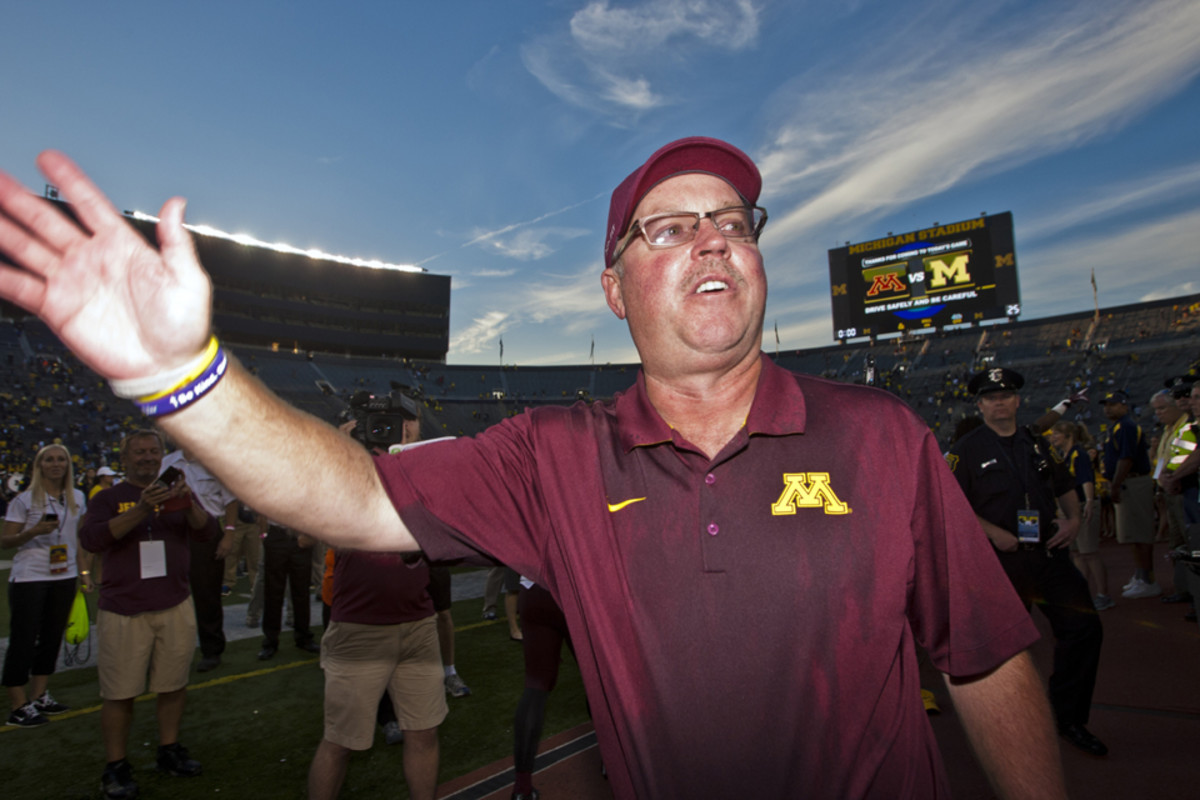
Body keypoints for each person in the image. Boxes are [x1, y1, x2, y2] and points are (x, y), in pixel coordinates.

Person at [0, 140, 1068, 799]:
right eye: (670, 227)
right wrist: (180, 374)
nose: (710, 239)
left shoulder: (882, 434)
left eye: (732, 222)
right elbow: (351, 493)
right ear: (614, 288)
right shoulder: (554, 453)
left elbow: (980, 658)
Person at [949, 369, 1106, 757]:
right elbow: (950, 504)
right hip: (1001, 565)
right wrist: (992, 532)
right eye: (990, 397)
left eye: (1006, 395)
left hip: (1049, 557)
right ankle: (1000, 727)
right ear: (980, 404)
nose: (999, 402)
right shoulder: (964, 450)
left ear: (1018, 401)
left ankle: (1067, 718)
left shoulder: (1038, 443)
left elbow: (1065, 484)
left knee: (1084, 629)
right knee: (1000, 649)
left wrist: (1071, 519)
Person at [307, 423, 446, 800]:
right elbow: (319, 529)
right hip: (360, 627)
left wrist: (411, 454)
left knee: (424, 731)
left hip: (417, 622)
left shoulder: (417, 470)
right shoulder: (347, 473)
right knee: (340, 741)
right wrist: (340, 452)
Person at [80, 429, 218, 799]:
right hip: (125, 608)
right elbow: (92, 540)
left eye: (152, 451)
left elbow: (208, 534)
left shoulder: (176, 495)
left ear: (162, 457)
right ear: (124, 457)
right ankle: (116, 766)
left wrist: (188, 504)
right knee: (119, 692)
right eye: (138, 452)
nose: (146, 457)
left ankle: (168, 750)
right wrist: (142, 509)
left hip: (173, 603)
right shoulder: (109, 497)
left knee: (173, 684)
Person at [2, 443, 87, 727]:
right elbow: (5, 541)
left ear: (68, 464)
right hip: (31, 575)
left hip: (65, 574)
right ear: (39, 466)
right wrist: (33, 532)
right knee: (24, 640)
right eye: (49, 459)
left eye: (61, 459)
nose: (55, 464)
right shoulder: (24, 500)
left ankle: (39, 695)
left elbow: (78, 537)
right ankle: (17, 704)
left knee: (51, 638)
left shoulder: (77, 497)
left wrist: (84, 571)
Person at [160, 446, 237, 672]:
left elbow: (231, 500)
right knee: (170, 593)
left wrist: (229, 534)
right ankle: (168, 649)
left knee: (207, 593)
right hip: (174, 532)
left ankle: (212, 650)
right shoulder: (167, 462)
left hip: (208, 531)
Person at [1101, 390, 1159, 598]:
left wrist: (1115, 485)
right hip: (1128, 482)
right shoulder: (1118, 426)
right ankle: (1141, 574)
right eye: (1106, 404)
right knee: (1134, 534)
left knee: (1141, 533)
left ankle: (1148, 578)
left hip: (1133, 482)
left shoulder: (1126, 426)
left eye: (1112, 404)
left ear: (1124, 406)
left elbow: (1127, 458)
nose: (1107, 408)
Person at [1048, 420, 1111, 609]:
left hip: (1082, 504)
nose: (1052, 438)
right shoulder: (1064, 455)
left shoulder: (1079, 454)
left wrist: (1090, 502)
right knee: (1077, 553)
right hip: (1072, 506)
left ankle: (1103, 594)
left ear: (1068, 435)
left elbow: (1086, 480)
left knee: (1089, 552)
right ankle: (1083, 591)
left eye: (1056, 434)